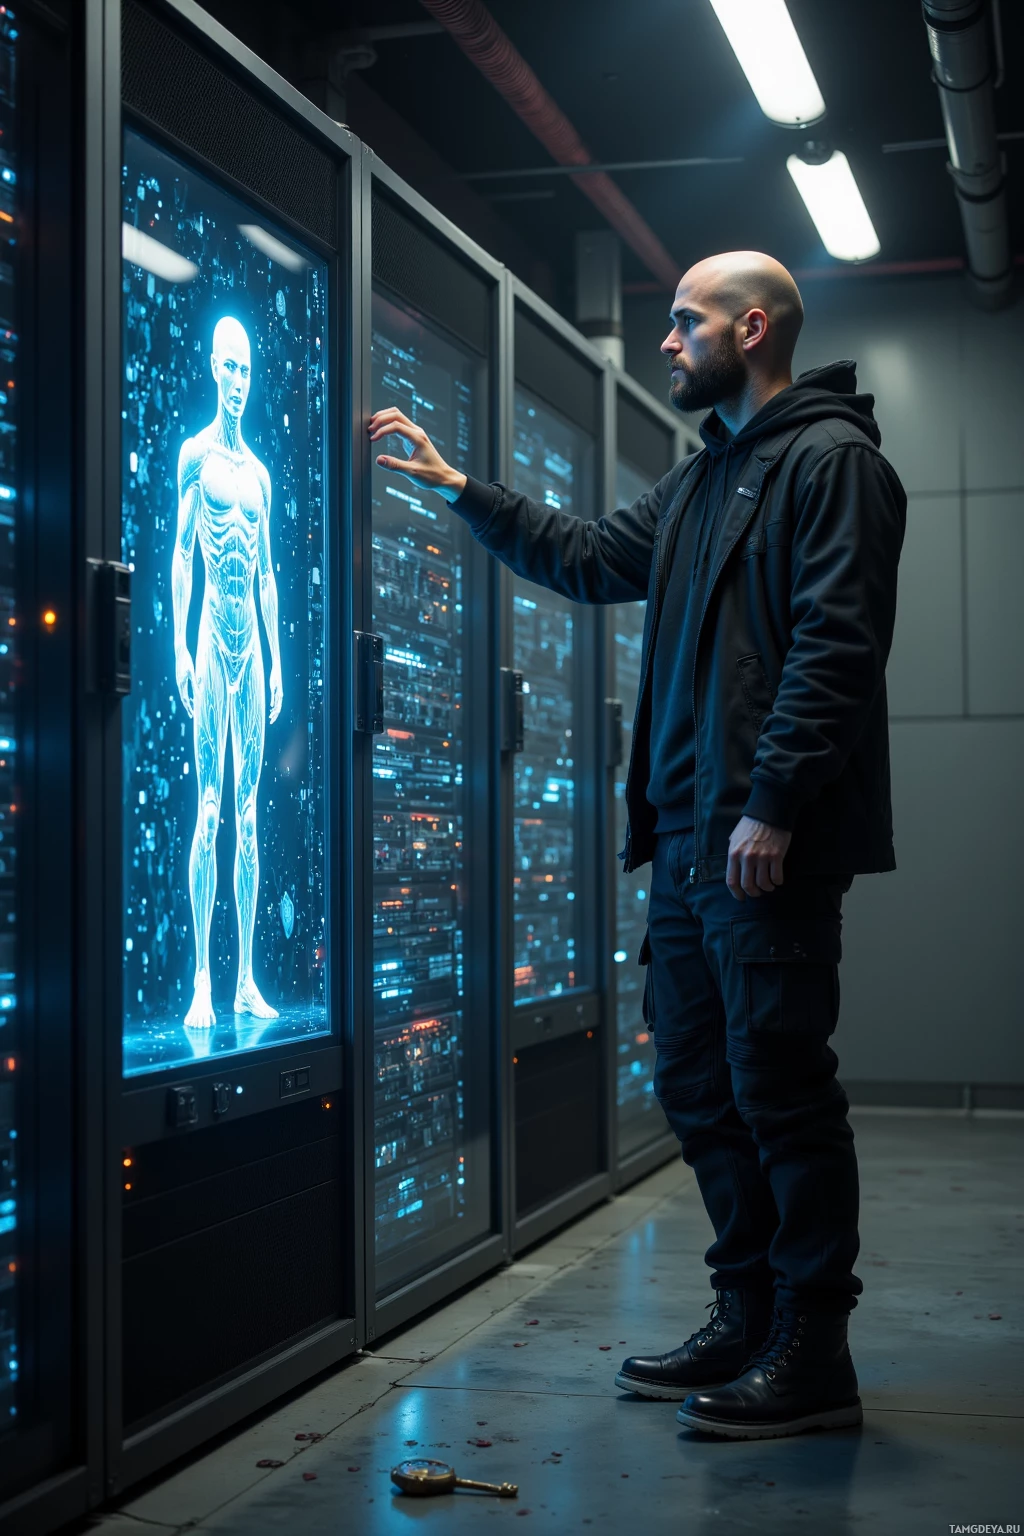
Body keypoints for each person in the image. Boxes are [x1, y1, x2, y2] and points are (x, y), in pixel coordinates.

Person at [367, 250, 905, 1441]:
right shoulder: (705, 478)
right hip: (683, 843)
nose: (665, 343)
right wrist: (463, 486)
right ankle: (746, 1313)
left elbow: (835, 647)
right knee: (699, 1087)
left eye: (683, 323)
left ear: (749, 329)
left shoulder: (834, 465)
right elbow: (586, 556)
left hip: (759, 841)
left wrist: (772, 803)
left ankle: (815, 1349)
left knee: (781, 1089)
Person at [173, 315, 283, 1035]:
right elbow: (183, 554)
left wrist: (276, 661)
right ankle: (202, 979)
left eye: (247, 370)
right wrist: (177, 648)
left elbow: (268, 572)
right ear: (213, 368)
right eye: (230, 369)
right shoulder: (195, 456)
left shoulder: (260, 475)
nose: (238, 382)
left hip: (250, 652)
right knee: (208, 807)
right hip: (213, 641)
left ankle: (244, 978)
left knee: (248, 817)